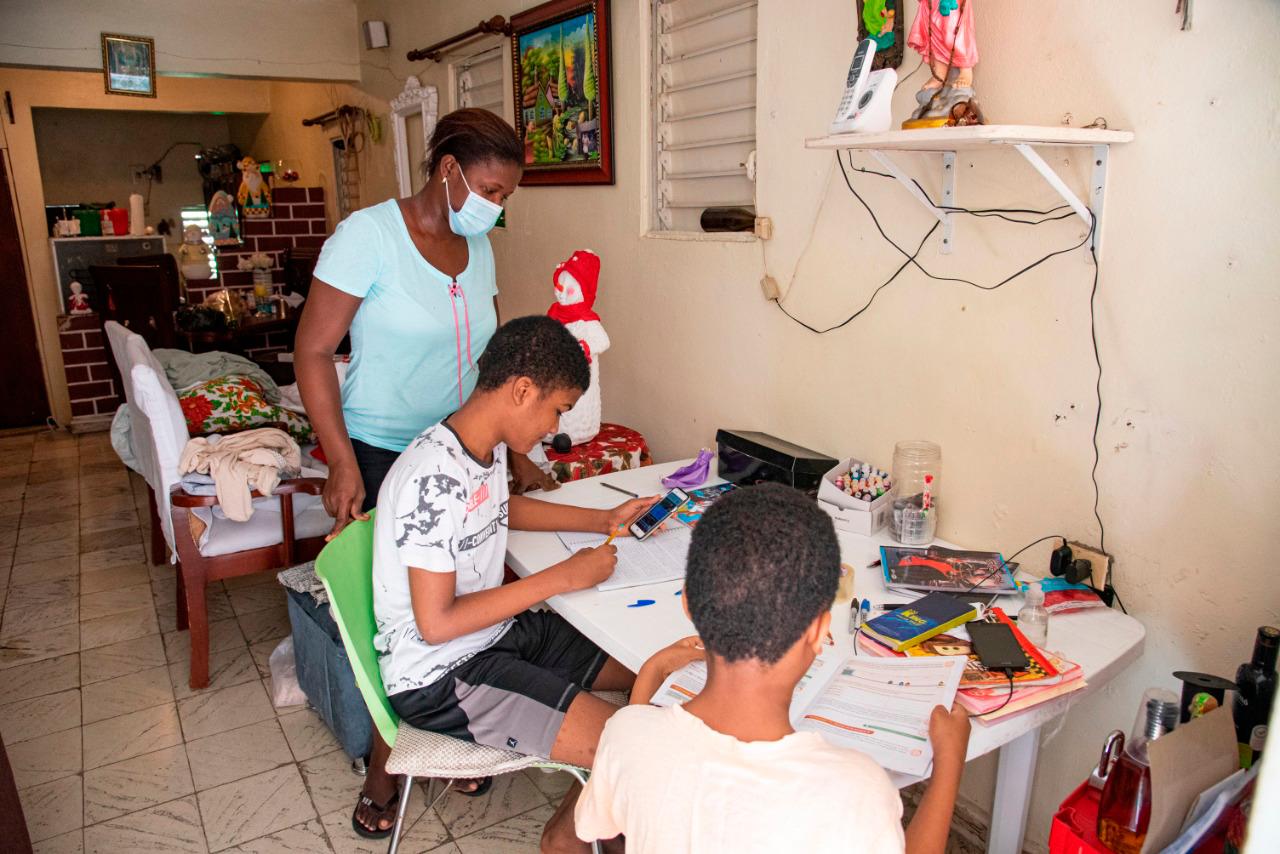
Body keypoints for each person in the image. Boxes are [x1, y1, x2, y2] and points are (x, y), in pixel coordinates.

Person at [294, 109, 556, 837]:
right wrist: (341, 460)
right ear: (449, 169)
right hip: (383, 457)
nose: (497, 208)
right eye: (492, 190)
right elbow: (313, 352)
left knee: (476, 604)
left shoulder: (478, 247)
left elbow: (498, 363)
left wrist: (516, 449)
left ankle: (461, 736)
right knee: (408, 630)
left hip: (467, 453)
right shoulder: (367, 237)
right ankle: (385, 776)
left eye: (507, 197)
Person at [373, 315, 651, 852]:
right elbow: (437, 624)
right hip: (443, 674)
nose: (555, 427)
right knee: (628, 745)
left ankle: (599, 818)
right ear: (523, 390)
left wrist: (601, 519)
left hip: (496, 636)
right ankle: (566, 841)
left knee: (652, 667)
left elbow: (503, 507)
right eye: (558, 410)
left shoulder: (481, 445)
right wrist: (561, 578)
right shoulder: (432, 477)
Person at [575, 484, 972, 854]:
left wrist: (652, 669)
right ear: (819, 631)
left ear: (690, 607)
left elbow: (600, 821)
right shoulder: (853, 788)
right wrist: (949, 762)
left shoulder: (627, 734)